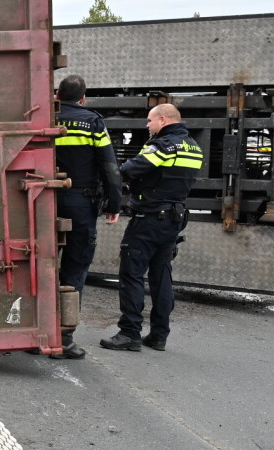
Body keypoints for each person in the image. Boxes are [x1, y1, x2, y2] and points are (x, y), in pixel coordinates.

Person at [100, 102, 202, 352]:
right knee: (161, 277)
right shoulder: (193, 147)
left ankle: (129, 333)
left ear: (163, 120)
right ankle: (158, 335)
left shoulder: (163, 146)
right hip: (173, 219)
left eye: (150, 120)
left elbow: (130, 169)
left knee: (131, 274)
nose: (147, 125)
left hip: (149, 219)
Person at [50, 76, 122, 359]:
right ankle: (63, 339)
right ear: (83, 98)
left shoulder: (45, 117)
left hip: (41, 199)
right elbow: (109, 166)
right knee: (75, 267)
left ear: (57, 95)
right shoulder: (92, 122)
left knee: (39, 265)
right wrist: (114, 204)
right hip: (80, 203)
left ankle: (34, 336)